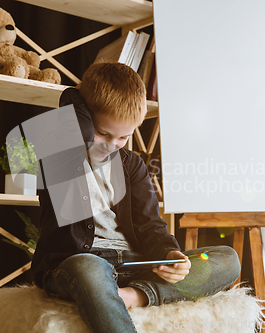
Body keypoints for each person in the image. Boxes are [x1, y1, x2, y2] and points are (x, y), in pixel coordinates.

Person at [30, 62, 241, 333]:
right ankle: (115, 296)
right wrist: (77, 103)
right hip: (76, 266)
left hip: (133, 265)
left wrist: (169, 254)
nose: (111, 145)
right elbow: (71, 111)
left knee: (227, 258)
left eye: (123, 138)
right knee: (90, 268)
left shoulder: (132, 166)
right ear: (80, 118)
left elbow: (150, 226)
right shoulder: (57, 155)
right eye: (103, 134)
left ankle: (134, 296)